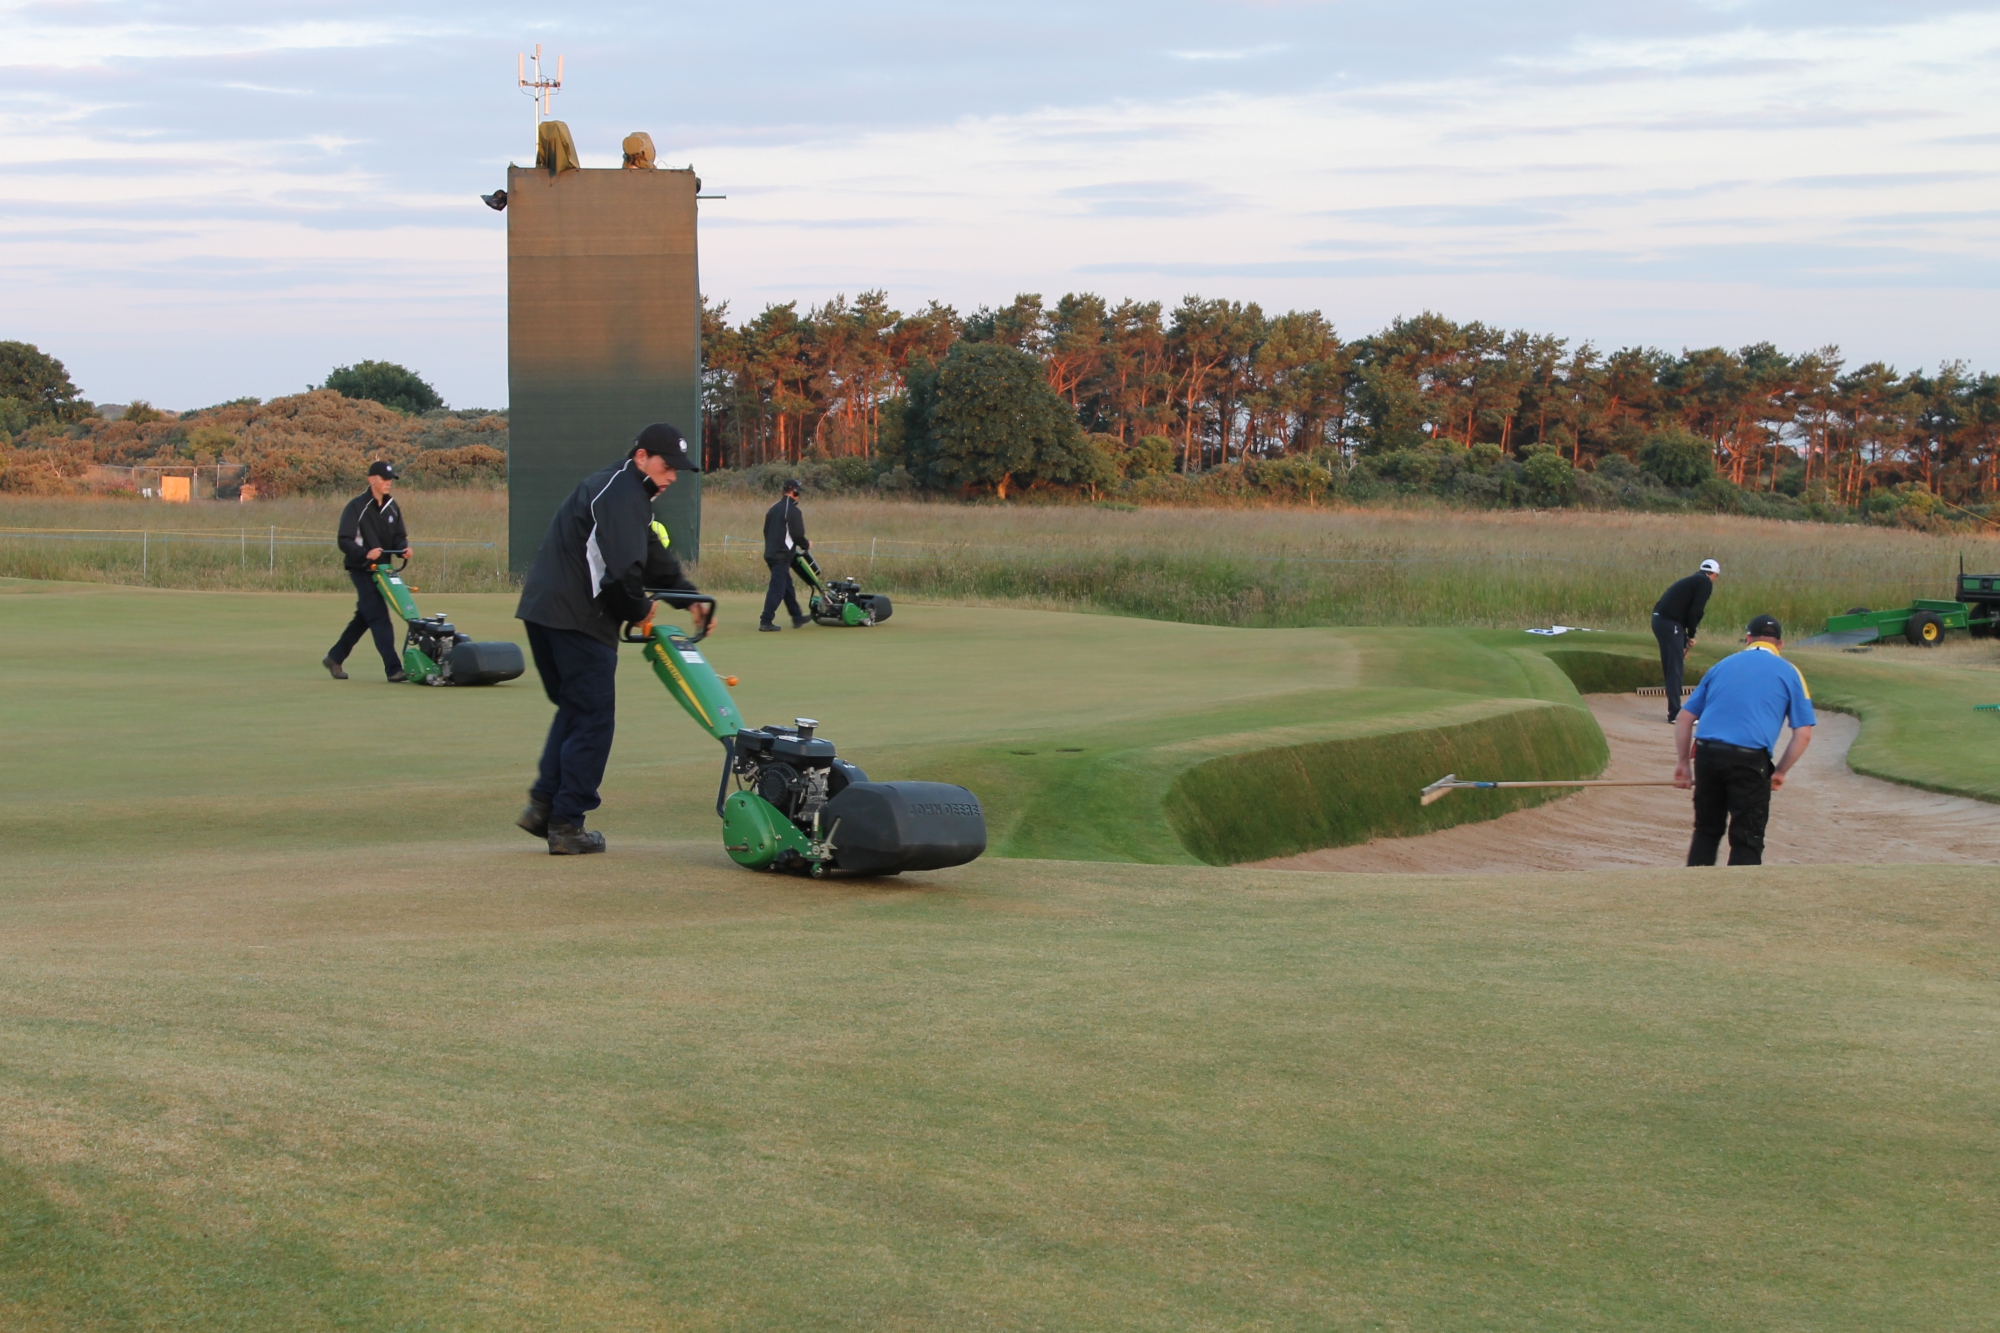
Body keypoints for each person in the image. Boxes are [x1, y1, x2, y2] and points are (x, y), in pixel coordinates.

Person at [513, 423, 708, 855]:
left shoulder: (622, 490)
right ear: (641, 457)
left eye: (678, 469)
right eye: (667, 465)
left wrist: (687, 596)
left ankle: (545, 806)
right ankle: (567, 824)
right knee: (594, 719)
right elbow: (622, 571)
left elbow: (650, 556)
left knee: (577, 710)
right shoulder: (623, 492)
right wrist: (639, 609)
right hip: (577, 617)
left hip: (546, 611)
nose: (673, 475)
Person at [1672, 614, 1815, 867]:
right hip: (1750, 760)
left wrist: (1683, 763)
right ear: (1780, 645)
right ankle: (1739, 900)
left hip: (1707, 754)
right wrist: (1780, 772)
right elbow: (1803, 734)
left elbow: (1684, 719)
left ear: (1747, 639)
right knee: (1747, 839)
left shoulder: (1721, 666)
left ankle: (1693, 895)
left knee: (1706, 830)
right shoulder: (1790, 672)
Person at [323, 460, 411, 682]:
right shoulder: (356, 507)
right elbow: (344, 540)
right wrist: (365, 553)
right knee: (379, 616)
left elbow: (399, 537)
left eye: (390, 479)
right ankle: (394, 669)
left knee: (365, 616)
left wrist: (403, 550)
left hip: (384, 571)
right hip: (361, 569)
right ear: (372, 479)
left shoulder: (392, 507)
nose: (388, 483)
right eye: (384, 479)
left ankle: (335, 657)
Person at [1652, 558, 1719, 722]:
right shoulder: (1705, 582)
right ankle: (1675, 713)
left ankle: (1674, 711)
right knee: (1675, 668)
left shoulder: (1693, 580)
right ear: (1715, 574)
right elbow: (1695, 612)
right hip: (1669, 623)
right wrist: (1692, 635)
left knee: (1673, 665)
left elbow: (1684, 610)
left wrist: (1683, 641)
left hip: (1662, 621)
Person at [759, 478, 812, 632]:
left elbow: (765, 530)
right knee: (778, 588)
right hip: (781, 555)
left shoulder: (773, 508)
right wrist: (806, 544)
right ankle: (766, 620)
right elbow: (797, 534)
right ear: (794, 491)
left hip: (771, 553)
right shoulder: (793, 511)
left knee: (786, 585)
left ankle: (797, 616)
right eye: (798, 491)